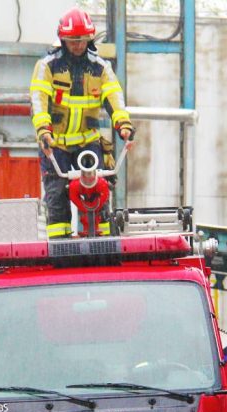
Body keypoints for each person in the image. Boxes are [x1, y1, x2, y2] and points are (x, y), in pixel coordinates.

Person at [30, 6, 134, 239]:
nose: (78, 45)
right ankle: (60, 248)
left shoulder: (101, 68)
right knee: (56, 198)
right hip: (56, 146)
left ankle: (104, 246)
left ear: (90, 39)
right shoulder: (47, 67)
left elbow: (114, 98)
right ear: (63, 39)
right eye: (72, 40)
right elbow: (39, 100)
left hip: (88, 144)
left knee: (99, 195)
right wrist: (43, 131)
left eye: (82, 40)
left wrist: (124, 125)